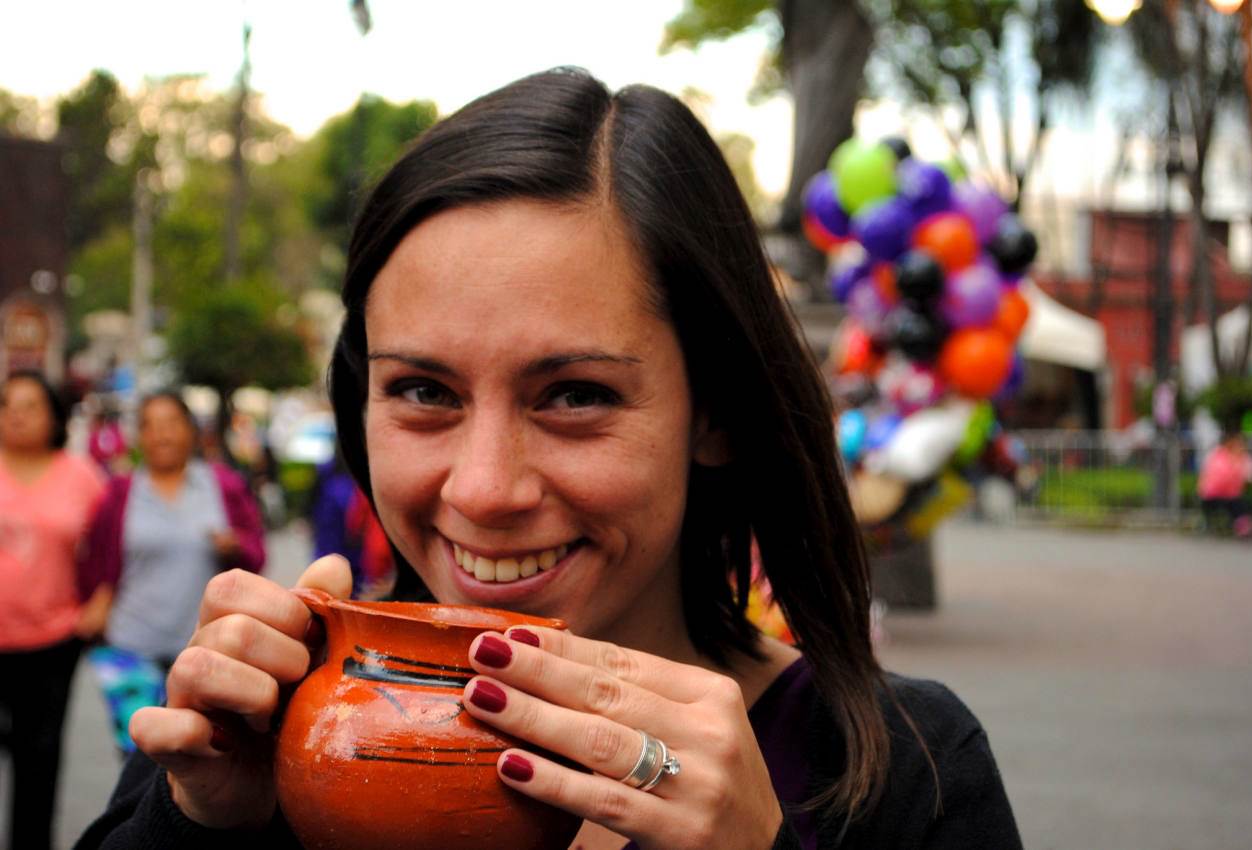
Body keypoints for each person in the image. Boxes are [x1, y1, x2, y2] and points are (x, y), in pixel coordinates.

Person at [77, 69, 1021, 849]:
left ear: (719, 414)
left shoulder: (903, 772)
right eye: (423, 391)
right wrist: (203, 824)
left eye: (576, 396)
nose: (484, 491)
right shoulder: (256, 738)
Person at [78, 390, 267, 751]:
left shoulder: (222, 485)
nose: (162, 435)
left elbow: (257, 554)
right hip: (131, 649)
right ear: (139, 437)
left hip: (203, 653)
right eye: (151, 426)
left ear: (191, 432)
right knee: (139, 760)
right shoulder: (120, 491)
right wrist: (96, 600)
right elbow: (94, 558)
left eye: (172, 424)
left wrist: (235, 545)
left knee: (199, 758)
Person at [0, 370, 107, 850]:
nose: (16, 415)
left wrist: (101, 602)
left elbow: (110, 547)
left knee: (38, 762)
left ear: (54, 415)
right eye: (7, 404)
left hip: (51, 641)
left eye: (30, 405)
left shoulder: (81, 475)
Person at [1198, 430, 1252, 537]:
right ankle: (1243, 526)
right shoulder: (1219, 455)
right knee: (1235, 502)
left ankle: (1244, 525)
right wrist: (1237, 466)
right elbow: (1219, 479)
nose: (1240, 446)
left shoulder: (1243, 457)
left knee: (1240, 501)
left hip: (1231, 495)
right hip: (1213, 495)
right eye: (1238, 443)